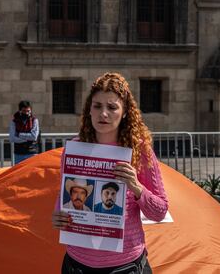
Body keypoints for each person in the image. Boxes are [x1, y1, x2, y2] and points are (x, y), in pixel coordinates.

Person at [52, 73, 168, 274]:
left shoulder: (140, 151)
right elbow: (63, 199)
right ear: (89, 109)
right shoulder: (75, 148)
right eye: (97, 106)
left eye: (112, 107)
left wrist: (136, 186)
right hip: (77, 263)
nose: (103, 113)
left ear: (124, 112)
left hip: (126, 265)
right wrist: (59, 217)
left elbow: (160, 212)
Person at [9, 100, 40, 164]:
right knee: (19, 173)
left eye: (28, 111)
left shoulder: (34, 120)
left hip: (32, 152)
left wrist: (19, 134)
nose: (26, 113)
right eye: (24, 111)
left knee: (32, 173)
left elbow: (34, 136)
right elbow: (12, 138)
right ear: (20, 111)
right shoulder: (14, 122)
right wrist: (27, 139)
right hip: (19, 154)